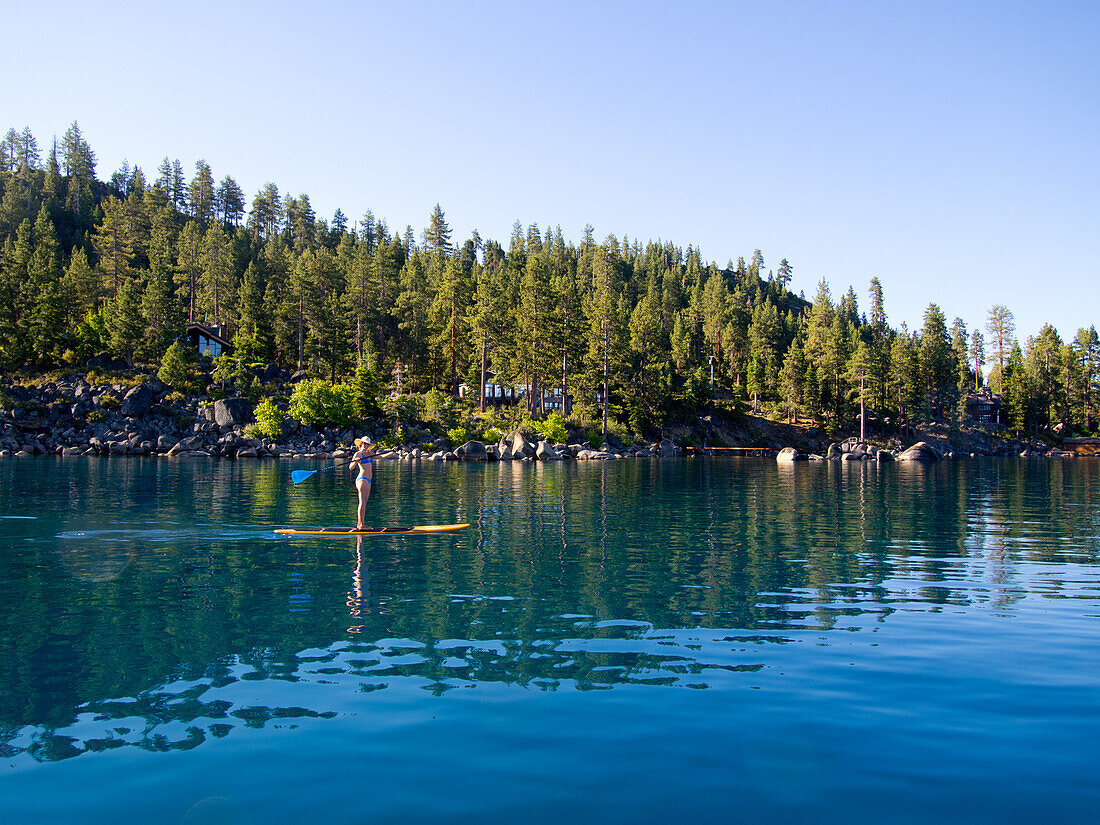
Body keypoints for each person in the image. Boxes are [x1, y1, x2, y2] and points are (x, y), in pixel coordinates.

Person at [349, 437, 396, 530]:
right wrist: (355, 462)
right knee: (362, 503)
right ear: (361, 444)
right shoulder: (358, 454)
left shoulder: (370, 454)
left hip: (368, 480)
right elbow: (350, 467)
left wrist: (392, 452)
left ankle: (362, 523)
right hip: (362, 480)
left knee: (364, 503)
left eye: (368, 444)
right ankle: (360, 525)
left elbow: (381, 457)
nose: (366, 446)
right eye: (365, 444)